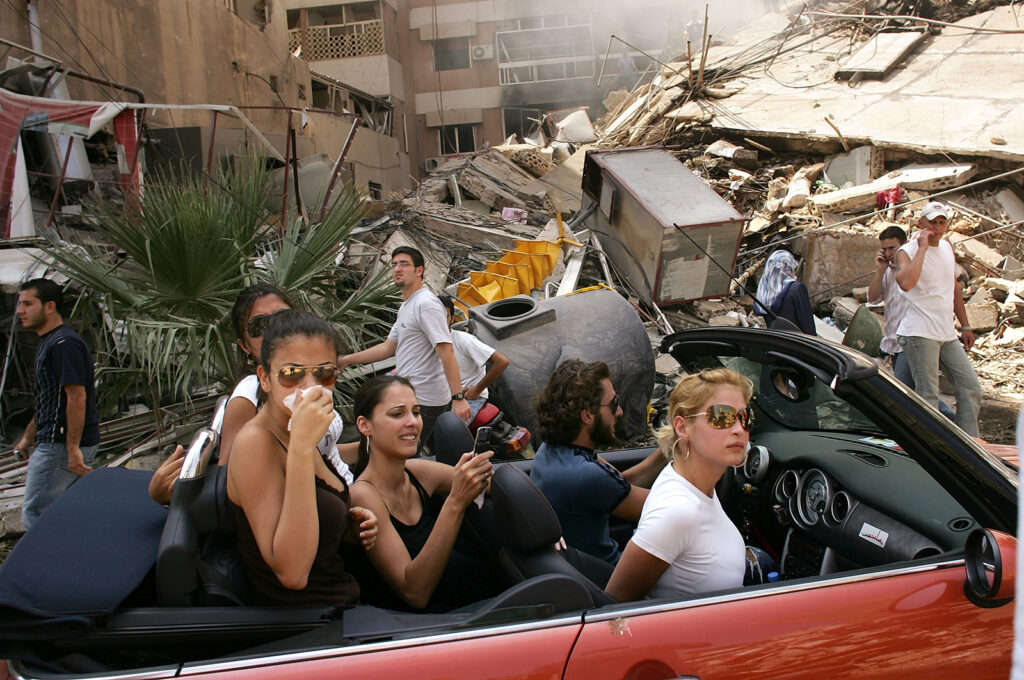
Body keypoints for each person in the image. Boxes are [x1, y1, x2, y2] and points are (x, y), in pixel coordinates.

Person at [147, 285, 352, 505]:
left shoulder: (309, 378)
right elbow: (231, 479)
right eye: (259, 325)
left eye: (284, 316)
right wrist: (175, 496)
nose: (275, 328)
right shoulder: (249, 395)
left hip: (343, 490)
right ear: (244, 346)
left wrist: (369, 446)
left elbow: (324, 452)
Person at [226, 312, 376, 606]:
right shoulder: (256, 442)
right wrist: (301, 446)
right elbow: (292, 574)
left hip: (346, 590)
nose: (309, 387)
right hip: (313, 620)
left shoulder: (296, 430)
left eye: (324, 374)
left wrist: (350, 528)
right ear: (265, 379)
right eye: (292, 374)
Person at [347, 374, 501, 611]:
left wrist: (536, 520)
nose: (413, 422)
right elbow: (414, 592)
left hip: (487, 599)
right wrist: (456, 502)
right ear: (364, 425)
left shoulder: (418, 472)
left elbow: (498, 486)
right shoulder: (364, 496)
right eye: (397, 414)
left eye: (416, 412)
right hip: (438, 629)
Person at [606, 368, 752, 602]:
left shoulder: (686, 479)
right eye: (722, 416)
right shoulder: (678, 512)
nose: (738, 429)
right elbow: (614, 609)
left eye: (744, 416)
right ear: (683, 427)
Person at [530, 359, 666, 565]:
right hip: (612, 580)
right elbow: (669, 511)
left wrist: (667, 449)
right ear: (587, 415)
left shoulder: (552, 449)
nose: (619, 411)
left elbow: (620, 484)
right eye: (613, 403)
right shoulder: (584, 475)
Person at [340, 247, 470, 452]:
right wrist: (347, 360)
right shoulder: (406, 306)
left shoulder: (426, 304)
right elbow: (388, 347)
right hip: (411, 394)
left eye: (404, 264)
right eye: (394, 265)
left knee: (402, 453)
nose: (397, 269)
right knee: (405, 452)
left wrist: (459, 398)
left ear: (419, 271)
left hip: (425, 399)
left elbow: (446, 351)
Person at [14, 278, 100, 531]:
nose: (20, 311)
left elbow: (77, 396)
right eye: (20, 304)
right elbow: (49, 399)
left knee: (36, 514)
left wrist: (72, 447)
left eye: (28, 304)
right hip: (56, 442)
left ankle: (40, 567)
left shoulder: (64, 344)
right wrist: (28, 437)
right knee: (62, 513)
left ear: (49, 306)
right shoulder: (50, 342)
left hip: (60, 445)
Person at [894, 201, 982, 436]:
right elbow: (906, 282)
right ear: (921, 223)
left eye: (942, 222)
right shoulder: (908, 251)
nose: (938, 227)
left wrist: (966, 325)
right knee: (928, 396)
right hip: (919, 332)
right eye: (933, 222)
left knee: (969, 387)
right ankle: (933, 450)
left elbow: (953, 288)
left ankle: (970, 447)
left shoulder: (946, 248)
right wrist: (922, 248)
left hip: (945, 332)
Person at [868, 226, 956, 420]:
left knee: (906, 392)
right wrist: (880, 270)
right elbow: (873, 299)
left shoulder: (912, 267)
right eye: (885, 249)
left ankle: (948, 423)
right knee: (915, 391)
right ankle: (949, 421)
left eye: (892, 248)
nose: (889, 254)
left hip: (912, 337)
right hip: (894, 341)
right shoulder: (888, 271)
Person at [438, 295, 510, 422]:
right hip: (442, 398)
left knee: (450, 433)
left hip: (467, 399)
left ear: (452, 319)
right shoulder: (424, 343)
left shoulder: (464, 340)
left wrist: (477, 390)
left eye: (444, 316)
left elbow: (502, 361)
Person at [754, 249, 816, 335]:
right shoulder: (797, 289)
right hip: (798, 343)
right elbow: (808, 326)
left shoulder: (763, 293)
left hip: (777, 343)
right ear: (788, 267)